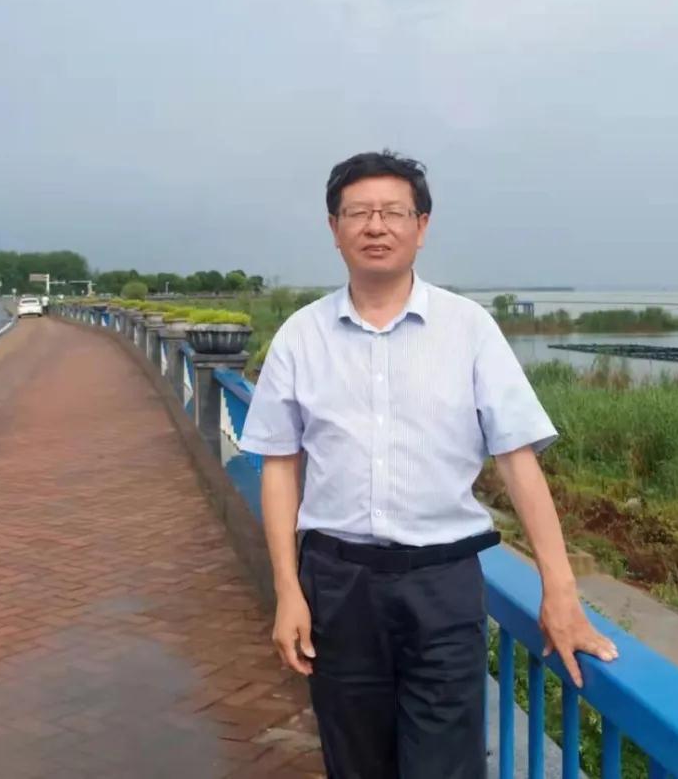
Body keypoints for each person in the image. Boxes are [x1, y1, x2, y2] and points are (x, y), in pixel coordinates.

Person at [238, 151, 618, 779]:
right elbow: (279, 467)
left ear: (422, 226)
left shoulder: (469, 329)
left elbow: (518, 459)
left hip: (443, 585)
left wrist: (560, 591)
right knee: (355, 762)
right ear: (334, 228)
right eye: (358, 213)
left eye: (393, 212)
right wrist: (287, 590)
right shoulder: (301, 336)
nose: (376, 226)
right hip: (337, 584)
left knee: (445, 765)